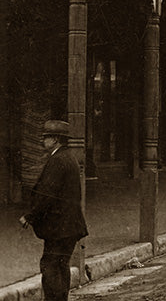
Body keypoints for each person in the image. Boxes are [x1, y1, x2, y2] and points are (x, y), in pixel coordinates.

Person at [19, 120, 88, 301]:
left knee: (50, 267)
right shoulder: (69, 157)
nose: (43, 142)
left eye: (46, 138)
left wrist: (30, 216)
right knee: (61, 266)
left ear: (56, 139)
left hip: (59, 227)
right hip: (69, 226)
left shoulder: (57, 160)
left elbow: (46, 194)